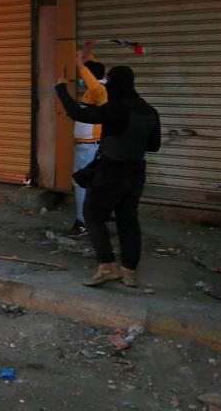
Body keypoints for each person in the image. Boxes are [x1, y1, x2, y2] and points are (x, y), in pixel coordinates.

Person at [56, 66, 160, 287]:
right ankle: (129, 272)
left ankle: (107, 266)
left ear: (116, 84)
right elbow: (154, 146)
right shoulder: (150, 111)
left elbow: (78, 114)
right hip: (136, 171)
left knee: (92, 214)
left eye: (109, 81)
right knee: (128, 220)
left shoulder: (117, 109)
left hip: (112, 170)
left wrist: (61, 88)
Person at [67, 44, 108, 237]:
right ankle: (93, 217)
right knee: (91, 184)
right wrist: (87, 53)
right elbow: (94, 68)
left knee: (82, 184)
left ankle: (83, 222)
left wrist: (78, 62)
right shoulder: (99, 87)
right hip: (89, 147)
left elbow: (91, 78)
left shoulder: (99, 90)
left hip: (90, 147)